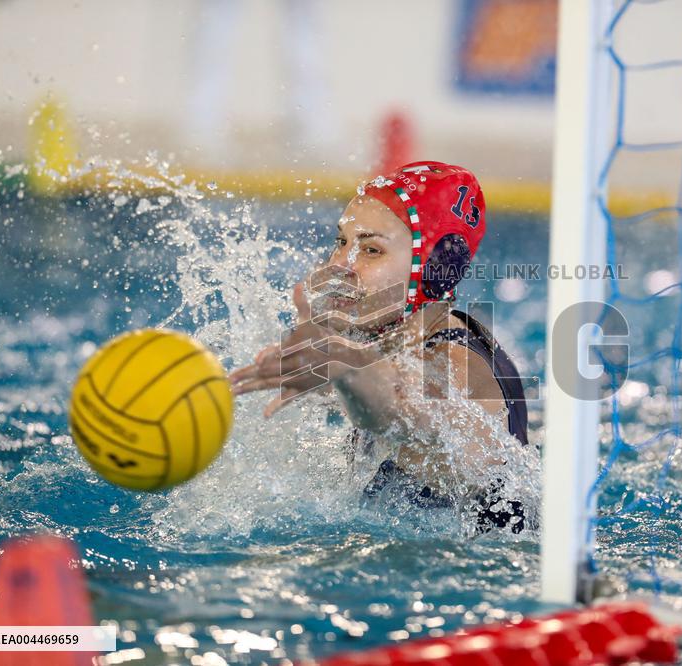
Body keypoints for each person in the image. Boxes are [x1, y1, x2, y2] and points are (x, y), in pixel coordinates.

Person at [229, 161, 535, 534]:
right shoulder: (398, 340)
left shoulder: (455, 363)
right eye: (341, 242)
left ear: (437, 268)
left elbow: (400, 404)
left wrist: (339, 360)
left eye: (371, 250)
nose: (340, 264)